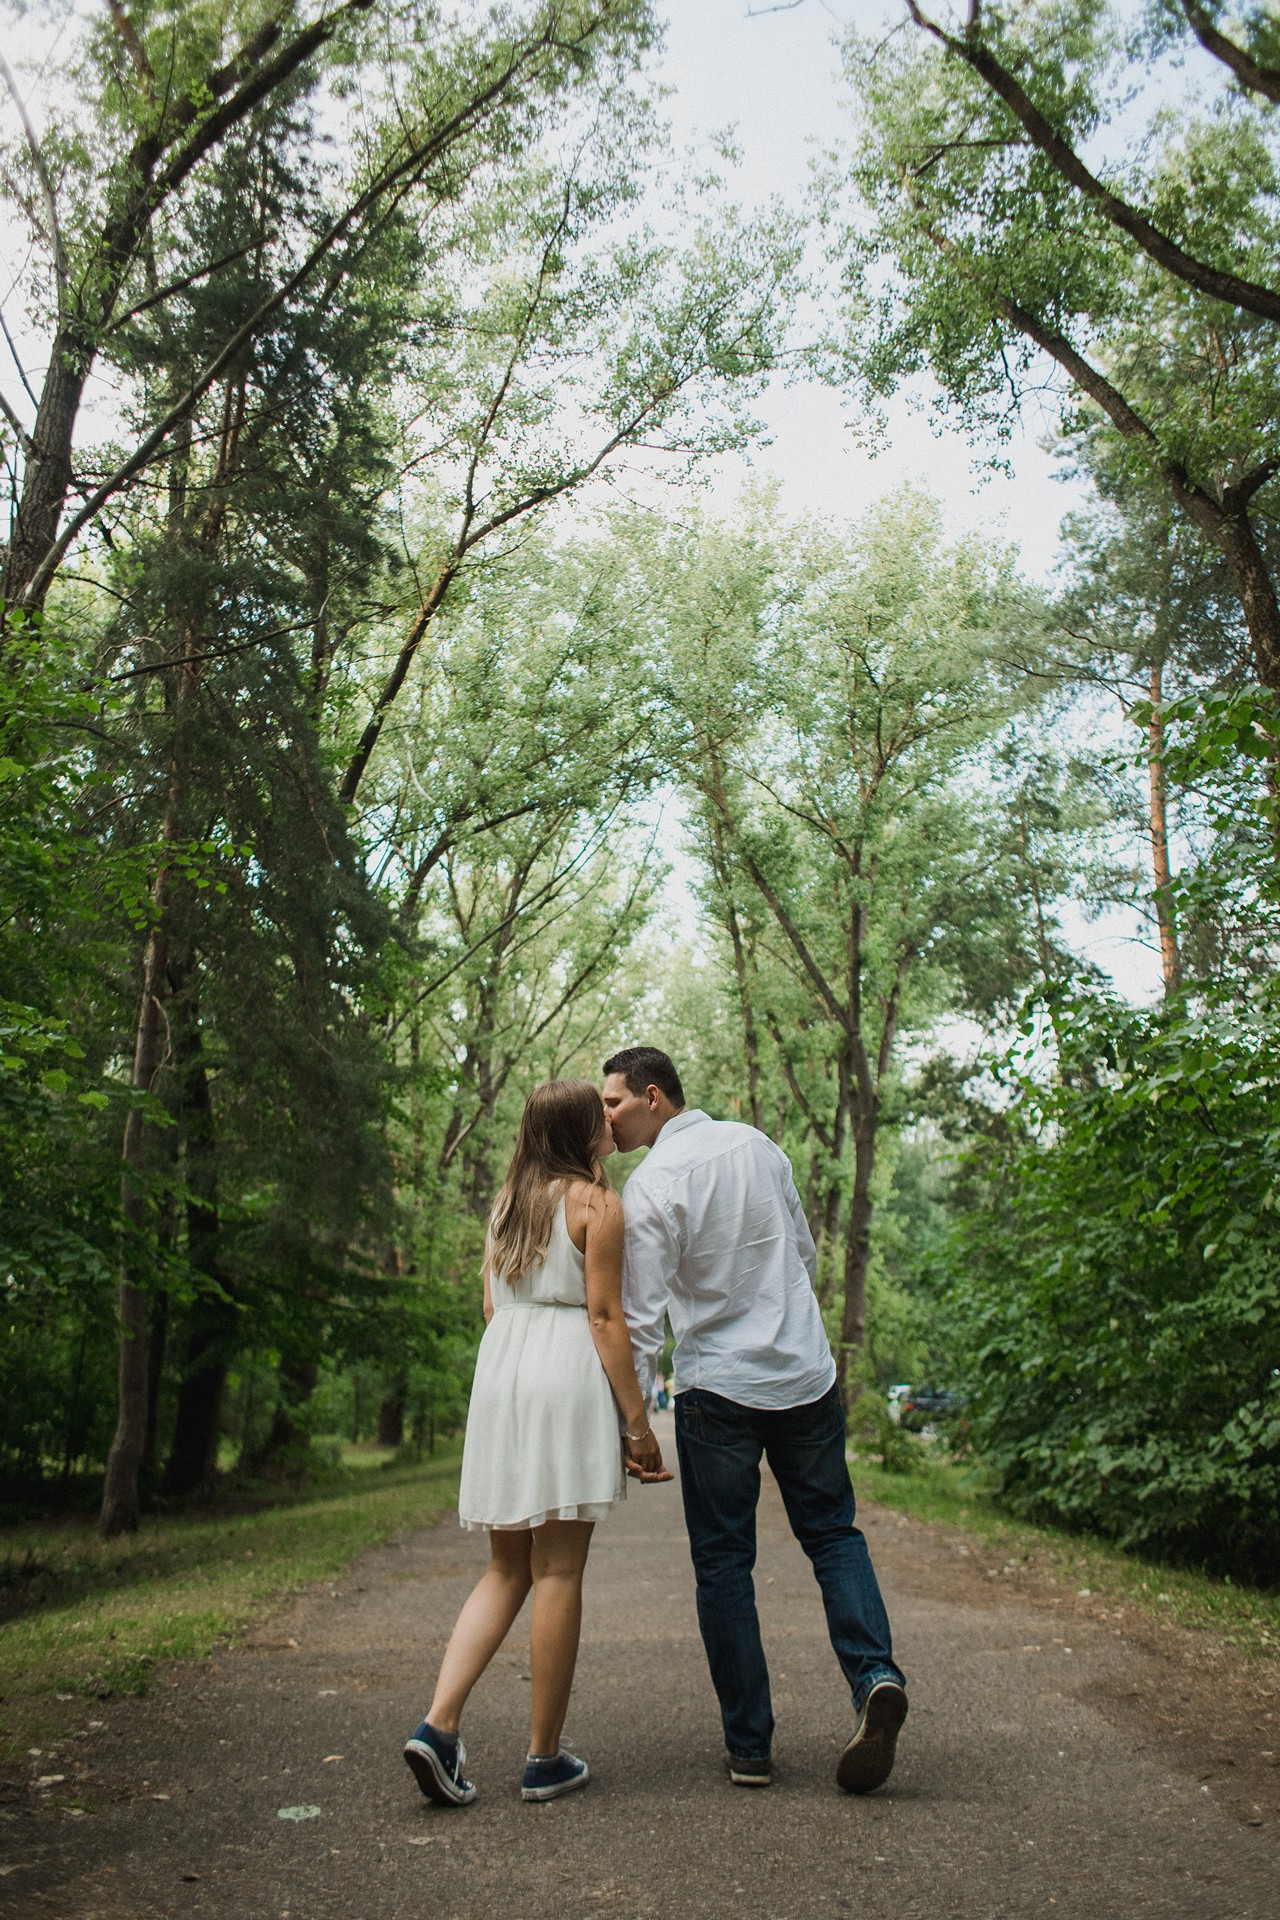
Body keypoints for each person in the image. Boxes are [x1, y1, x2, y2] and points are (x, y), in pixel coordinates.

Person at [602, 1045, 907, 1794]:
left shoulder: (650, 1187)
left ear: (653, 1096)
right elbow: (800, 1253)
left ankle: (750, 1747)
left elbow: (640, 1323)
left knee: (724, 1563)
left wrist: (634, 1424)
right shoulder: (757, 1146)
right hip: (804, 1373)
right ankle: (874, 1677)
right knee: (833, 1533)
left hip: (717, 1390)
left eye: (612, 1102)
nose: (603, 1117)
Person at [402, 1079, 668, 1809]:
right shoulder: (596, 1204)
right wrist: (637, 1425)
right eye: (600, 1116)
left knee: (504, 1568)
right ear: (581, 1131)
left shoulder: (505, 1205)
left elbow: (491, 1306)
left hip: (503, 1376)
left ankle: (439, 1725)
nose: (610, 1124)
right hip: (563, 1374)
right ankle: (543, 1758)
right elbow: (607, 1317)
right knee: (556, 1571)